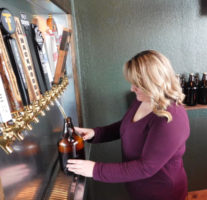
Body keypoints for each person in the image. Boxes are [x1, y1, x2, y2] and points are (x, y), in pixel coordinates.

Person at [67, 50, 190, 200]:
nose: (132, 88)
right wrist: (95, 133)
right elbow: (127, 126)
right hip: (139, 187)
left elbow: (146, 167)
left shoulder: (171, 119)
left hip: (162, 192)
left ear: (154, 83)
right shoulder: (143, 99)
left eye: (137, 84)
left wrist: (95, 170)